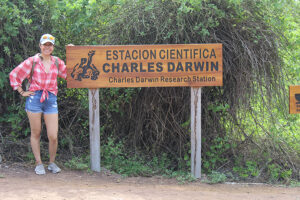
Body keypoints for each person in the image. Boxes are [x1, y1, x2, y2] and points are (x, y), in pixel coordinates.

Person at [9, 34, 67, 175]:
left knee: (53, 135)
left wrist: (72, 54)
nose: (47, 47)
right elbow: (14, 74)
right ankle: (38, 163)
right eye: (45, 44)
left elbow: (71, 74)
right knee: (36, 132)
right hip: (35, 98)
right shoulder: (32, 61)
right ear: (40, 46)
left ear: (53, 47)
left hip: (51, 98)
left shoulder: (57, 62)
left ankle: (52, 163)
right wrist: (22, 91)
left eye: (50, 45)